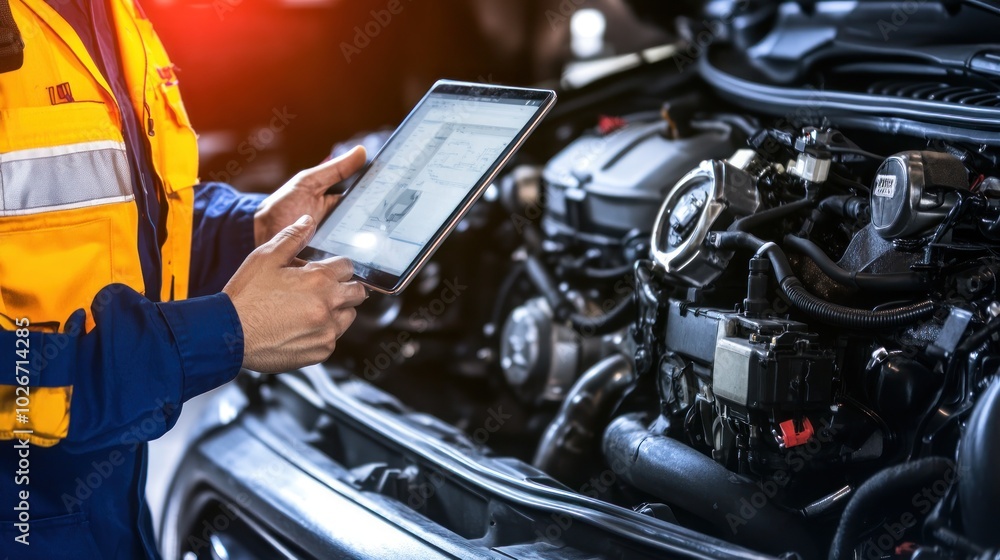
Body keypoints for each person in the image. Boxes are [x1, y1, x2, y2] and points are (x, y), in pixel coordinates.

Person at [0, 0, 367, 558]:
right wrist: (216, 334)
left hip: (107, 509)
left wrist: (250, 229)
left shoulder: (110, 11)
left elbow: (103, 224)